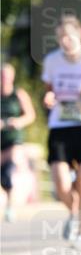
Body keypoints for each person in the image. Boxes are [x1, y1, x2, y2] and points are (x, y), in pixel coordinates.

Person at [42, 15, 81, 242]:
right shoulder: (52, 61)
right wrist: (48, 97)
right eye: (60, 38)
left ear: (79, 34)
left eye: (68, 36)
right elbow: (49, 90)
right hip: (60, 124)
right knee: (61, 183)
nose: (65, 42)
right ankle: (73, 211)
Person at [1, 63, 36, 221]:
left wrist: (18, 122)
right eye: (2, 76)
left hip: (13, 139)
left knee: (8, 172)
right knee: (2, 176)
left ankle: (10, 207)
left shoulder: (19, 94)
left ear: (12, 77)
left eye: (7, 76)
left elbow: (30, 115)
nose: (4, 79)